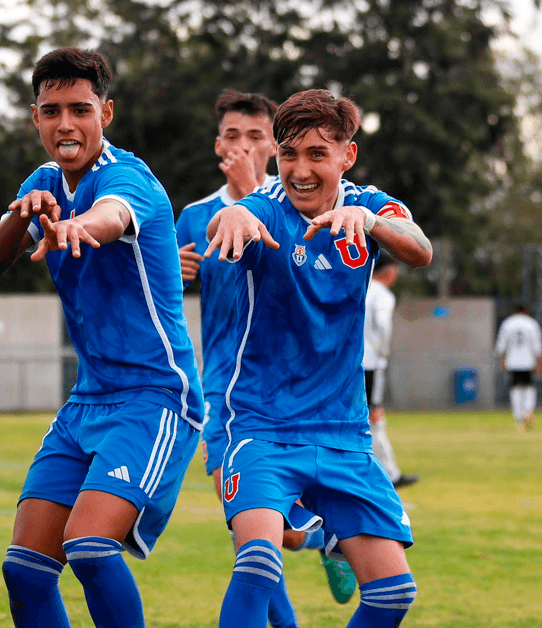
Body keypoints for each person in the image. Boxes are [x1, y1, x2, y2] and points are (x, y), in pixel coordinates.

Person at [0, 48, 203, 628]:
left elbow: (114, 214)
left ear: (106, 112)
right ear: (35, 117)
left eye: (80, 109)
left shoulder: (129, 180)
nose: (65, 125)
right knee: (24, 568)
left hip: (156, 399)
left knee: (89, 544)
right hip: (88, 400)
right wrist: (19, 216)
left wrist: (79, 225)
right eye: (51, 111)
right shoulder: (44, 184)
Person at [203, 89, 432, 628]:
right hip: (262, 428)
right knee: (259, 559)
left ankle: (324, 535)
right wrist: (231, 218)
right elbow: (233, 219)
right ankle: (315, 536)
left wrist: (371, 223)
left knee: (393, 594)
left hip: (344, 435)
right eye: (288, 155)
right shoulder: (266, 208)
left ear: (346, 156)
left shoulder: (370, 206)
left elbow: (420, 248)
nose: (300, 170)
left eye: (316, 154)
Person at [176, 88, 356, 619]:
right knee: (253, 539)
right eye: (233, 136)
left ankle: (325, 538)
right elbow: (163, 285)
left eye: (256, 137)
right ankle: (321, 548)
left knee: (277, 540)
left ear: (274, 145)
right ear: (218, 145)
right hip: (229, 390)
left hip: (298, 393)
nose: (244, 146)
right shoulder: (195, 215)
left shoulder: (299, 205)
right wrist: (176, 271)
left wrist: (252, 194)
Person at [363, 258, 419, 489]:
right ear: (390, 272)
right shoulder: (383, 295)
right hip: (371, 362)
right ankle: (390, 473)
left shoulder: (359, 286)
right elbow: (383, 325)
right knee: (375, 414)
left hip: (345, 361)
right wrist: (384, 352)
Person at [495, 304, 542, 431]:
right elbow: (538, 345)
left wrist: (502, 361)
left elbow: (501, 345)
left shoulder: (507, 323)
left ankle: (519, 419)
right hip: (528, 361)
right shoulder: (531, 323)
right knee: (529, 388)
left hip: (512, 361)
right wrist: (540, 363)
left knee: (515, 389)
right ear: (525, 311)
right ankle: (528, 411)